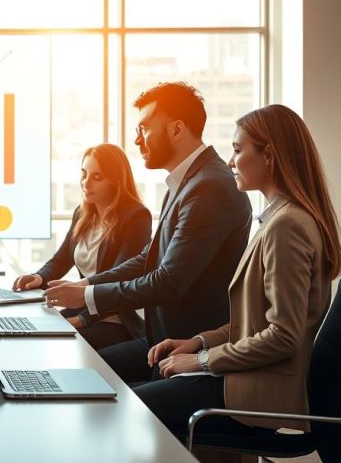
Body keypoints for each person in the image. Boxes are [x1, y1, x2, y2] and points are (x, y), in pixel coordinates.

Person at [134, 104, 341, 446]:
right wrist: (200, 342)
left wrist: (201, 361)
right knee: (130, 396)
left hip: (253, 392)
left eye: (236, 150)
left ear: (269, 156)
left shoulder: (287, 226)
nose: (230, 161)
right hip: (244, 377)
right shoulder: (279, 220)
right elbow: (255, 323)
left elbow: (282, 335)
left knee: (126, 408)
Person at [46, 82, 251, 384]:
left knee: (89, 386)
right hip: (162, 340)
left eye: (144, 128)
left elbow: (167, 281)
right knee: (80, 371)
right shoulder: (184, 182)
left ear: (176, 130)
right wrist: (86, 284)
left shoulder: (210, 187)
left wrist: (88, 295)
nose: (137, 140)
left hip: (190, 350)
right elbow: (149, 258)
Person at [12, 144, 151, 349]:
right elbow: (60, 260)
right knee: (27, 330)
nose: (86, 183)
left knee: (53, 344)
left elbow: (120, 278)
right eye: (84, 174)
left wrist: (82, 320)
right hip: (80, 307)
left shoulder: (136, 217)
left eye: (97, 177)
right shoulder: (82, 213)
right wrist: (39, 278)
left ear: (115, 181)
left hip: (114, 318)